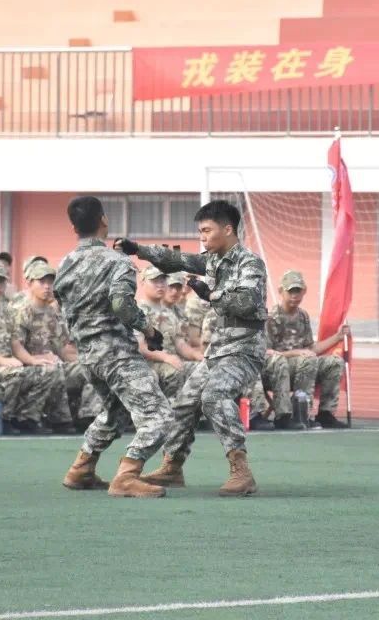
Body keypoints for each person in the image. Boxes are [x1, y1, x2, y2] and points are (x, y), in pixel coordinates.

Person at [116, 199, 266, 496]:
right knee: (185, 403)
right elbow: (177, 260)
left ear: (227, 229)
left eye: (207, 230)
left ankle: (241, 471)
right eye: (200, 231)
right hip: (219, 349)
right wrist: (138, 250)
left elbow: (248, 302)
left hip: (244, 348)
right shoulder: (213, 261)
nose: (202, 237)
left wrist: (212, 295)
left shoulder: (249, 263)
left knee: (214, 395)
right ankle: (172, 466)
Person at [55, 196, 173, 498]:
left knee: (115, 411)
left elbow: (63, 306)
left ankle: (81, 468)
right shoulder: (118, 262)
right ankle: (127, 475)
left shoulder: (64, 263)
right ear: (104, 220)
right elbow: (121, 304)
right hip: (116, 353)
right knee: (159, 415)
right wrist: (148, 329)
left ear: (73, 228)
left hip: (87, 354)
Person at [0, 262, 68, 435]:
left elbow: (16, 345)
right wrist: (3, 361)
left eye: (1, 282)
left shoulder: (8, 311)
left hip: (9, 366)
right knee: (14, 373)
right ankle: (4, 419)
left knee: (47, 370)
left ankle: (27, 418)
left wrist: (33, 361)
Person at [10, 258, 103, 430]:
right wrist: (33, 360)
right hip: (28, 366)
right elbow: (15, 346)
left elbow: (62, 348)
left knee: (94, 367)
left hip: (53, 363)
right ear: (29, 283)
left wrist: (86, 359)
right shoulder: (21, 311)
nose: (47, 287)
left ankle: (88, 416)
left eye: (50, 282)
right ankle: (36, 418)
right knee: (52, 369)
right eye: (41, 282)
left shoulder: (53, 313)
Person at [266, 269, 349, 429]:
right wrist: (297, 353)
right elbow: (267, 353)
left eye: (298, 291)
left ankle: (326, 413)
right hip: (277, 369)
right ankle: (298, 414)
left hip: (304, 365)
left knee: (334, 362)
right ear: (281, 291)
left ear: (304, 292)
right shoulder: (271, 318)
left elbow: (311, 348)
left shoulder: (302, 316)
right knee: (307, 360)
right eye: (290, 291)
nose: (294, 296)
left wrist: (337, 337)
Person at [136, 265, 197, 400]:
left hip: (171, 361)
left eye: (163, 280)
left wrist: (199, 356)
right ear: (143, 282)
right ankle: (172, 406)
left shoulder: (168, 313)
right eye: (154, 281)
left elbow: (180, 344)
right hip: (149, 363)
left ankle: (189, 408)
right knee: (174, 372)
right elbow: (140, 347)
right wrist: (166, 358)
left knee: (202, 369)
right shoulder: (137, 312)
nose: (160, 285)